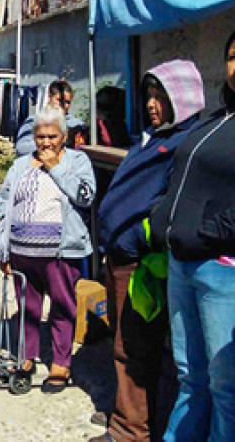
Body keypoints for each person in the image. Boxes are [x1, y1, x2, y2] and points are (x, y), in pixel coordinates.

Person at [93, 60, 204, 442]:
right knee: (125, 342)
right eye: (150, 96)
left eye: (161, 96)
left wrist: (139, 239)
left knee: (134, 348)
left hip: (140, 263)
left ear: (183, 97)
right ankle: (127, 415)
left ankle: (130, 431)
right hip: (120, 256)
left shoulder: (183, 144)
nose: (153, 104)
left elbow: (167, 203)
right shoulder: (154, 137)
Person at [149, 32, 235, 441]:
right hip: (184, 264)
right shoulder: (215, 120)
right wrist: (163, 213)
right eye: (233, 56)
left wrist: (214, 230)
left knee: (225, 386)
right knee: (190, 375)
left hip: (222, 270)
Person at [0, 106, 95, 393]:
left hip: (60, 252)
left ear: (64, 136)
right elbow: (4, 205)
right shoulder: (21, 164)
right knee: (27, 308)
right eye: (40, 136)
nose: (46, 142)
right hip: (22, 252)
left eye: (52, 136)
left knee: (62, 308)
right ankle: (26, 357)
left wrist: (55, 167)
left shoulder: (77, 161)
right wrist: (2, 248)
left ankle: (60, 364)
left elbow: (86, 197)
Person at [15, 80, 87, 157]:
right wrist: (56, 143)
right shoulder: (34, 121)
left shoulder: (77, 124)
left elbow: (81, 149)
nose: (63, 105)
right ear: (49, 97)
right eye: (59, 100)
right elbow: (21, 149)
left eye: (67, 102)